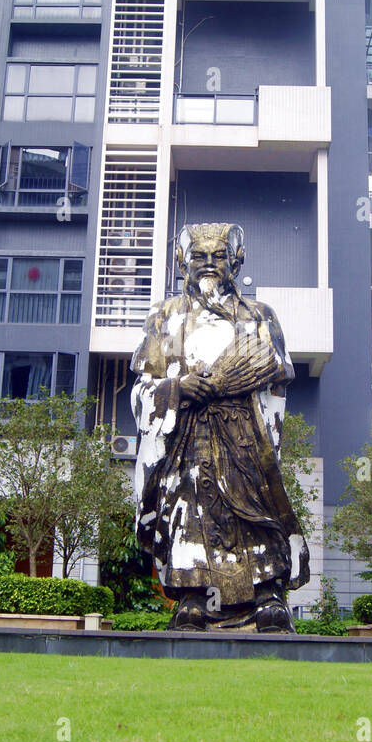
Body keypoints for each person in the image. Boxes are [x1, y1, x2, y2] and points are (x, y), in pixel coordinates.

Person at [131, 222, 310, 632]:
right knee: (187, 506)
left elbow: (278, 375)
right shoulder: (164, 317)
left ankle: (267, 594)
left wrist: (242, 388)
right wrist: (177, 389)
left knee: (254, 509)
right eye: (198, 257)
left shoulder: (259, 316)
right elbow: (142, 386)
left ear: (236, 260)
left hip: (243, 434)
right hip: (187, 433)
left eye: (218, 256)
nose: (209, 264)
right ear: (182, 262)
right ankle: (192, 596)